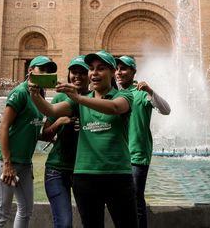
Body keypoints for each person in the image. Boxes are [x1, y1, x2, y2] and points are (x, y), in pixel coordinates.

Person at [29, 50, 137, 228]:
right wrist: (35, 95)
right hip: (85, 177)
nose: (94, 73)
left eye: (101, 68)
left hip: (118, 175)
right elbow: (52, 111)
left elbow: (115, 108)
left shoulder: (123, 96)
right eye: (92, 69)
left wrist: (78, 98)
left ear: (112, 72)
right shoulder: (79, 101)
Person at [0, 55, 56, 228]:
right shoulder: (20, 93)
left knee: (26, 210)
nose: (45, 73)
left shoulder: (39, 96)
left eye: (48, 70)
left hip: (24, 165)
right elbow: (4, 127)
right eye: (42, 69)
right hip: (5, 162)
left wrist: (55, 134)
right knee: (1, 213)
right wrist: (7, 163)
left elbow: (30, 129)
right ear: (30, 70)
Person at [115, 55, 170, 228]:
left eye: (123, 69)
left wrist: (151, 91)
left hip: (137, 155)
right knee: (121, 200)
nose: (119, 73)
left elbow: (166, 110)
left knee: (135, 198)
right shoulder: (115, 95)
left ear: (133, 71)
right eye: (117, 69)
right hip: (117, 156)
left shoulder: (141, 93)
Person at [40, 56, 88, 228]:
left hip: (85, 170)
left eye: (83, 72)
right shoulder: (60, 99)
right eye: (74, 72)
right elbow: (44, 134)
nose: (78, 76)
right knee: (64, 223)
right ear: (68, 75)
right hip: (57, 169)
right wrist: (58, 124)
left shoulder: (95, 99)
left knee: (90, 221)